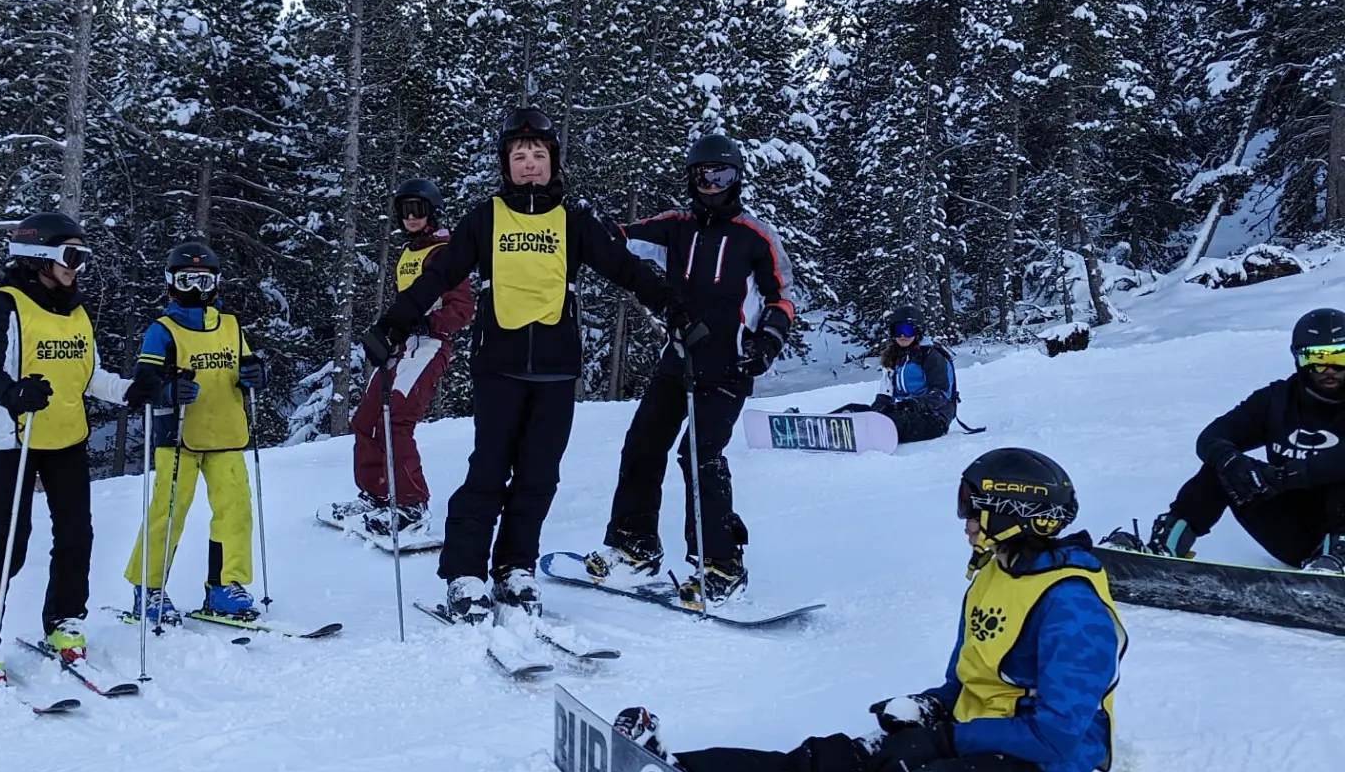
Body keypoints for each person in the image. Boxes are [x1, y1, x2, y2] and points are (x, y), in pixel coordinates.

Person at [614, 447, 1126, 772]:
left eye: (976, 510)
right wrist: (928, 708)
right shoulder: (996, 574)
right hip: (978, 730)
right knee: (846, 758)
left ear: (1015, 515)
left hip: (1047, 766)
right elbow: (967, 681)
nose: (966, 522)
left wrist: (948, 741)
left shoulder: (1073, 609)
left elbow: (1058, 735)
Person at [364, 106, 681, 624]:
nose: (529, 164)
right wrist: (393, 324)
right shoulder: (485, 218)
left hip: (557, 371)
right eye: (519, 155)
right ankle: (465, 574)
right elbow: (437, 276)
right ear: (505, 164)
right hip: (499, 366)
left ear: (552, 161)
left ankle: (515, 568)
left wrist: (674, 307)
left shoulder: (574, 219)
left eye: (538, 155)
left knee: (538, 476)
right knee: (488, 470)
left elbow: (626, 269)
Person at [583, 132, 796, 605]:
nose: (712, 185)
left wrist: (766, 344)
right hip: (678, 360)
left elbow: (783, 296)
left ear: (737, 179)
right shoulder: (675, 227)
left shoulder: (755, 236)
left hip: (730, 365)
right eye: (702, 176)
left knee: (699, 455)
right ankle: (633, 547)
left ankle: (721, 564)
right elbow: (623, 239)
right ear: (691, 180)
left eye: (721, 175)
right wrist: (587, 220)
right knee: (642, 445)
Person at [0, 213, 149, 676]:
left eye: (82, 256)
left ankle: (64, 619)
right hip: (15, 440)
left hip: (65, 436)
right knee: (10, 541)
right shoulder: (5, 303)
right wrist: (14, 393)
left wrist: (131, 390)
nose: (77, 266)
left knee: (77, 534)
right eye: (70, 255)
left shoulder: (76, 310)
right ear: (39, 256)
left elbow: (91, 376)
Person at [1108, 308, 1345, 572]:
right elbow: (1211, 437)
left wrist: (1291, 475)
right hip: (1295, 533)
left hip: (1337, 522)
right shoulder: (1278, 399)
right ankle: (1166, 547)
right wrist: (1234, 464)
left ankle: (1338, 558)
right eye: (1315, 357)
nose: (1329, 369)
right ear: (1298, 358)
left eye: (1339, 356)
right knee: (1221, 467)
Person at [318, 178, 473, 546]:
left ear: (432, 212)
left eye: (419, 210)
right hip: (403, 346)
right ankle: (377, 495)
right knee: (367, 418)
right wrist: (386, 334)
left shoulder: (446, 252)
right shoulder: (409, 254)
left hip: (430, 344)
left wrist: (428, 322)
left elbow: (463, 309)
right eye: (405, 210)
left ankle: (412, 505)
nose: (411, 217)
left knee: (397, 419)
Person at [122, 241, 266, 623]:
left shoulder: (231, 326)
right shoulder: (163, 330)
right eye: (187, 280)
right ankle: (148, 588)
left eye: (204, 280)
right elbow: (143, 383)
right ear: (171, 283)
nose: (197, 290)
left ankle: (224, 586)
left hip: (226, 435)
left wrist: (256, 375)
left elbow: (247, 365)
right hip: (178, 437)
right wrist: (167, 390)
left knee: (235, 511)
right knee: (168, 512)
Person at [837, 302, 957, 444]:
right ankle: (825, 427)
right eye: (897, 331)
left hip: (934, 417)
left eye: (907, 331)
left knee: (893, 422)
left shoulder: (931, 356)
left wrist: (912, 404)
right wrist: (878, 408)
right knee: (856, 410)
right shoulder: (893, 356)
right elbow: (886, 392)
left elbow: (941, 394)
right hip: (902, 411)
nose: (902, 336)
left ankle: (861, 436)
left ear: (917, 331)